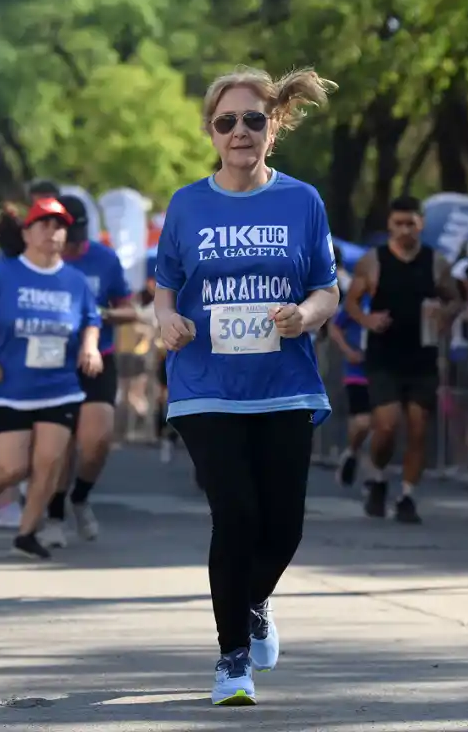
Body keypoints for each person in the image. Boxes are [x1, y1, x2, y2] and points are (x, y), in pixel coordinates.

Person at [154, 65, 338, 706]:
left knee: (283, 528)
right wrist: (167, 320)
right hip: (206, 384)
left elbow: (326, 289)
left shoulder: (303, 201)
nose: (240, 131)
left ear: (273, 126)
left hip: (284, 384)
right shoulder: (187, 204)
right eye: (226, 121)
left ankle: (252, 601)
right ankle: (232, 659)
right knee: (235, 515)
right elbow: (165, 286)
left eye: (253, 119)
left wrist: (304, 316)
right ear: (211, 131)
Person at [0, 197, 102, 560]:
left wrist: (90, 348)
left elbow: (91, 319)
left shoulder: (74, 281)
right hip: (7, 388)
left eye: (59, 227)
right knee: (13, 467)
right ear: (27, 233)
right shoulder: (3, 275)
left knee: (50, 464)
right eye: (44, 225)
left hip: (59, 388)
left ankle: (26, 533)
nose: (52, 232)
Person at [344, 196, 461, 524]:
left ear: (421, 223)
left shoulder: (436, 262)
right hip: (384, 355)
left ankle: (407, 495)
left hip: (422, 355)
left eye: (411, 223)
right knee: (387, 425)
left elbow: (455, 299)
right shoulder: (373, 261)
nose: (405, 230)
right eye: (399, 223)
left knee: (418, 428)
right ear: (390, 225)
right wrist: (367, 320)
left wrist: (445, 314)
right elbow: (351, 302)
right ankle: (378, 477)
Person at [38, 193, 135, 548]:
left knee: (97, 440)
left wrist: (101, 315)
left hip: (97, 358)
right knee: (60, 443)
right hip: (53, 359)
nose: (73, 244)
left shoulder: (104, 259)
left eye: (79, 235)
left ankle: (80, 497)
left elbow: (128, 309)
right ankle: (54, 516)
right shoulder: (39, 260)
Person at [327, 295, 371, 486]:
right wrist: (348, 351)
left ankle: (371, 475)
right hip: (357, 371)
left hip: (383, 370)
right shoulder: (357, 300)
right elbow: (334, 327)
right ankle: (352, 452)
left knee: (380, 424)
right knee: (362, 422)